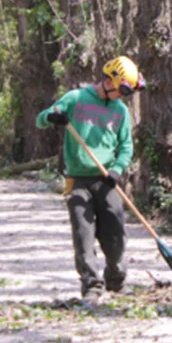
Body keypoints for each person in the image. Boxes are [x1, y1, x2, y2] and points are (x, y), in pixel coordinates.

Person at [36, 55, 145, 303]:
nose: (121, 96)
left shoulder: (120, 111)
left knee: (115, 233)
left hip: (106, 180)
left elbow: (126, 147)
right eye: (120, 90)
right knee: (83, 235)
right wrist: (52, 117)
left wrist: (117, 169)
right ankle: (91, 285)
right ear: (108, 81)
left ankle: (116, 281)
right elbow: (40, 119)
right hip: (78, 181)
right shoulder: (76, 99)